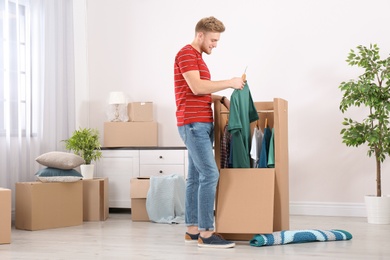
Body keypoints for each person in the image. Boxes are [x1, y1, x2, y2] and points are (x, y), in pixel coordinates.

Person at [174, 16, 244, 249]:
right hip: (193, 124)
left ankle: (192, 230)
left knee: (195, 177)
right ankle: (206, 232)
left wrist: (221, 97)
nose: (215, 44)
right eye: (213, 39)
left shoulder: (198, 58)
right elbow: (197, 86)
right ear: (200, 35)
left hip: (199, 124)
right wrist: (230, 83)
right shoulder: (186, 54)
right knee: (210, 175)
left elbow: (197, 92)